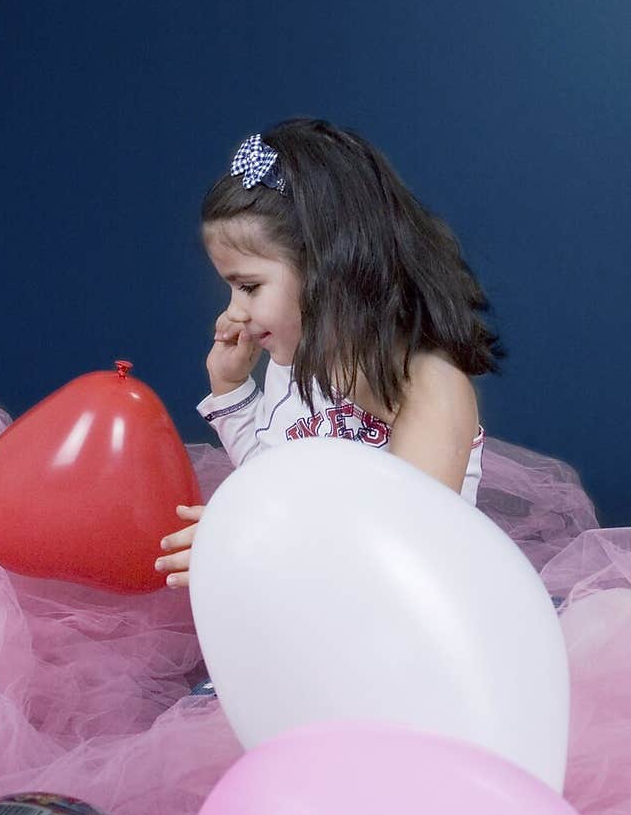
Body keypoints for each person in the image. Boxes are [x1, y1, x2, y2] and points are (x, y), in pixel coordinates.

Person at [156, 117, 504, 588]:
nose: (234, 311)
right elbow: (273, 484)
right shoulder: (295, 365)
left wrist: (251, 543)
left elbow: (406, 539)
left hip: (414, 624)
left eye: (249, 286)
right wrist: (231, 393)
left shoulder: (426, 383)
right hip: (328, 617)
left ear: (326, 266)